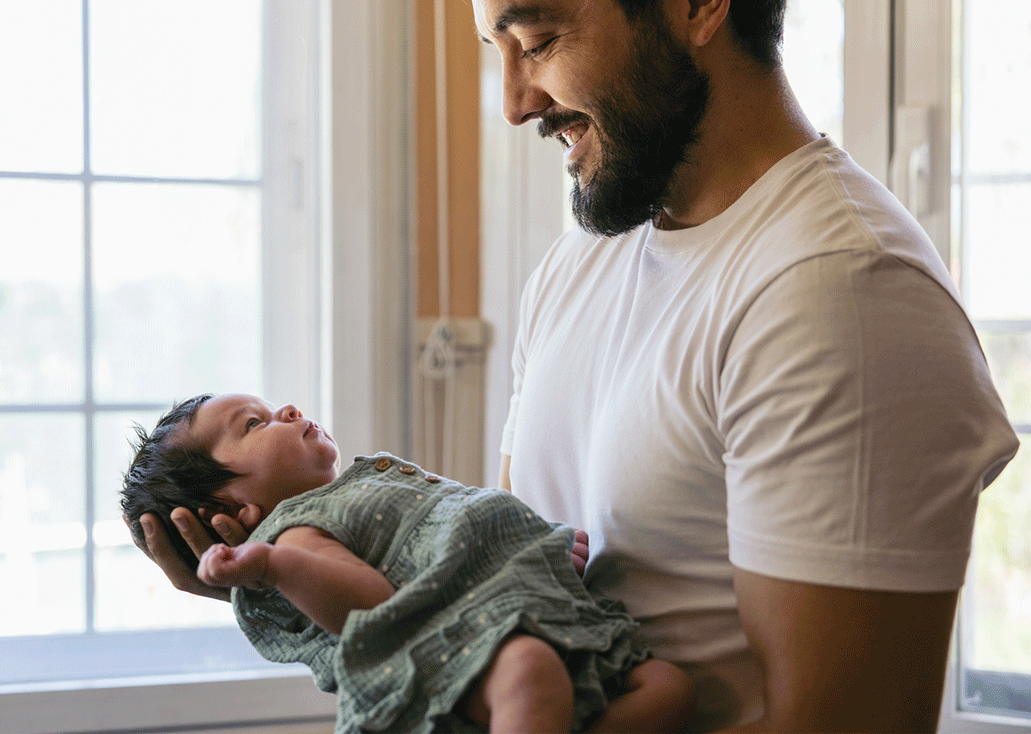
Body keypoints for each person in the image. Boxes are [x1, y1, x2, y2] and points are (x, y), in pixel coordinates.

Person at [130, 1, 1019, 730]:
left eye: (540, 39)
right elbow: (492, 583)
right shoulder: (581, 263)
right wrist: (282, 585)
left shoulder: (839, 293)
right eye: (500, 51)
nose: (516, 103)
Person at [121, 393, 696, 734]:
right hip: (456, 656)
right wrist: (271, 567)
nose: (287, 410)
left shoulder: (369, 481)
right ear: (232, 509)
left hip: (528, 613)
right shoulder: (295, 538)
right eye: (255, 424)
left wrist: (533, 550)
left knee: (668, 689)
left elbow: (460, 526)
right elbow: (370, 603)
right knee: (528, 670)